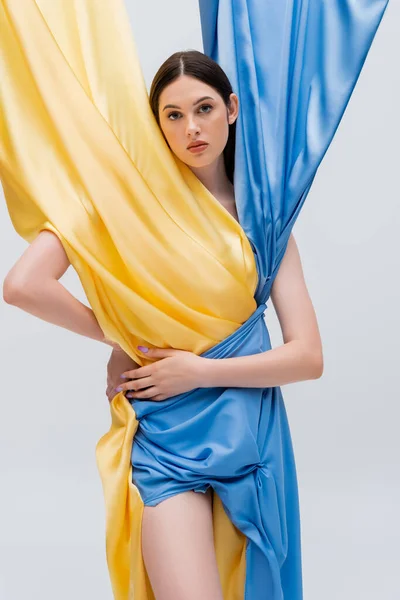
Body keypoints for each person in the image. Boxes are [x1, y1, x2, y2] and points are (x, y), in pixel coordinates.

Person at [0, 1, 389, 599]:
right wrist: (120, 337)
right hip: (166, 443)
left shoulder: (264, 225)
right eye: (173, 116)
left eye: (204, 109)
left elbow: (308, 357)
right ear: (156, 126)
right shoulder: (127, 208)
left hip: (250, 441)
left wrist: (196, 370)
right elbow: (22, 285)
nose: (192, 130)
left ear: (231, 110)